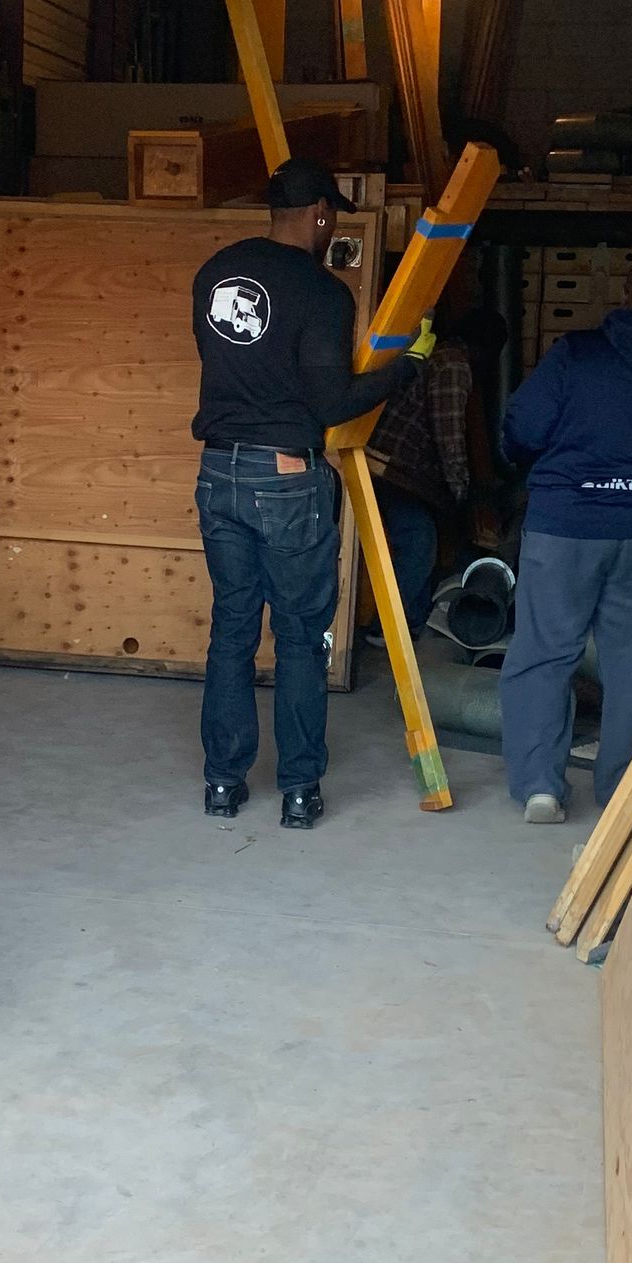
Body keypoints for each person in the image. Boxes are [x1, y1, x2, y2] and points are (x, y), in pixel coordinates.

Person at [190, 157, 425, 829]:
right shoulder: (322, 294)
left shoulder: (215, 272)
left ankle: (223, 784)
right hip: (287, 478)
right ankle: (298, 790)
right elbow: (329, 403)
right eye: (334, 219)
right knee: (298, 635)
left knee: (232, 629)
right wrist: (401, 372)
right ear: (321, 214)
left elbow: (223, 364)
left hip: (218, 474)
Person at [498, 249, 632, 822]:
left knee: (545, 654)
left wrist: (528, 467)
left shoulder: (577, 356)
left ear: (624, 294)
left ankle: (541, 787)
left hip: (564, 525)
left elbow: (522, 427)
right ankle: (623, 791)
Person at [367, 307, 509, 634]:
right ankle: (386, 629)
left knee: (422, 543)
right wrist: (461, 492)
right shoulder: (454, 366)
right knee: (419, 542)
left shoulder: (440, 355)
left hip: (389, 464)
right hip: (393, 469)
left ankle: (411, 624)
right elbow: (449, 434)